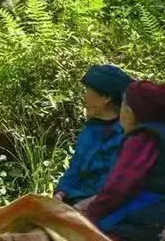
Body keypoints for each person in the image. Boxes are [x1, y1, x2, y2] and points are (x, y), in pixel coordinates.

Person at [78, 80, 165, 241]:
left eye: (123, 105)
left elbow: (117, 189)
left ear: (132, 112)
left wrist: (90, 216)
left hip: (149, 226)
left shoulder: (142, 138)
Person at [54, 64, 131, 204]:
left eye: (88, 92)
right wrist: (60, 192)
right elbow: (75, 168)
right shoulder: (90, 129)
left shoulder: (124, 135)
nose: (84, 99)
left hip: (99, 207)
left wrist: (85, 205)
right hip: (72, 202)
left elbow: (115, 187)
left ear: (106, 98)